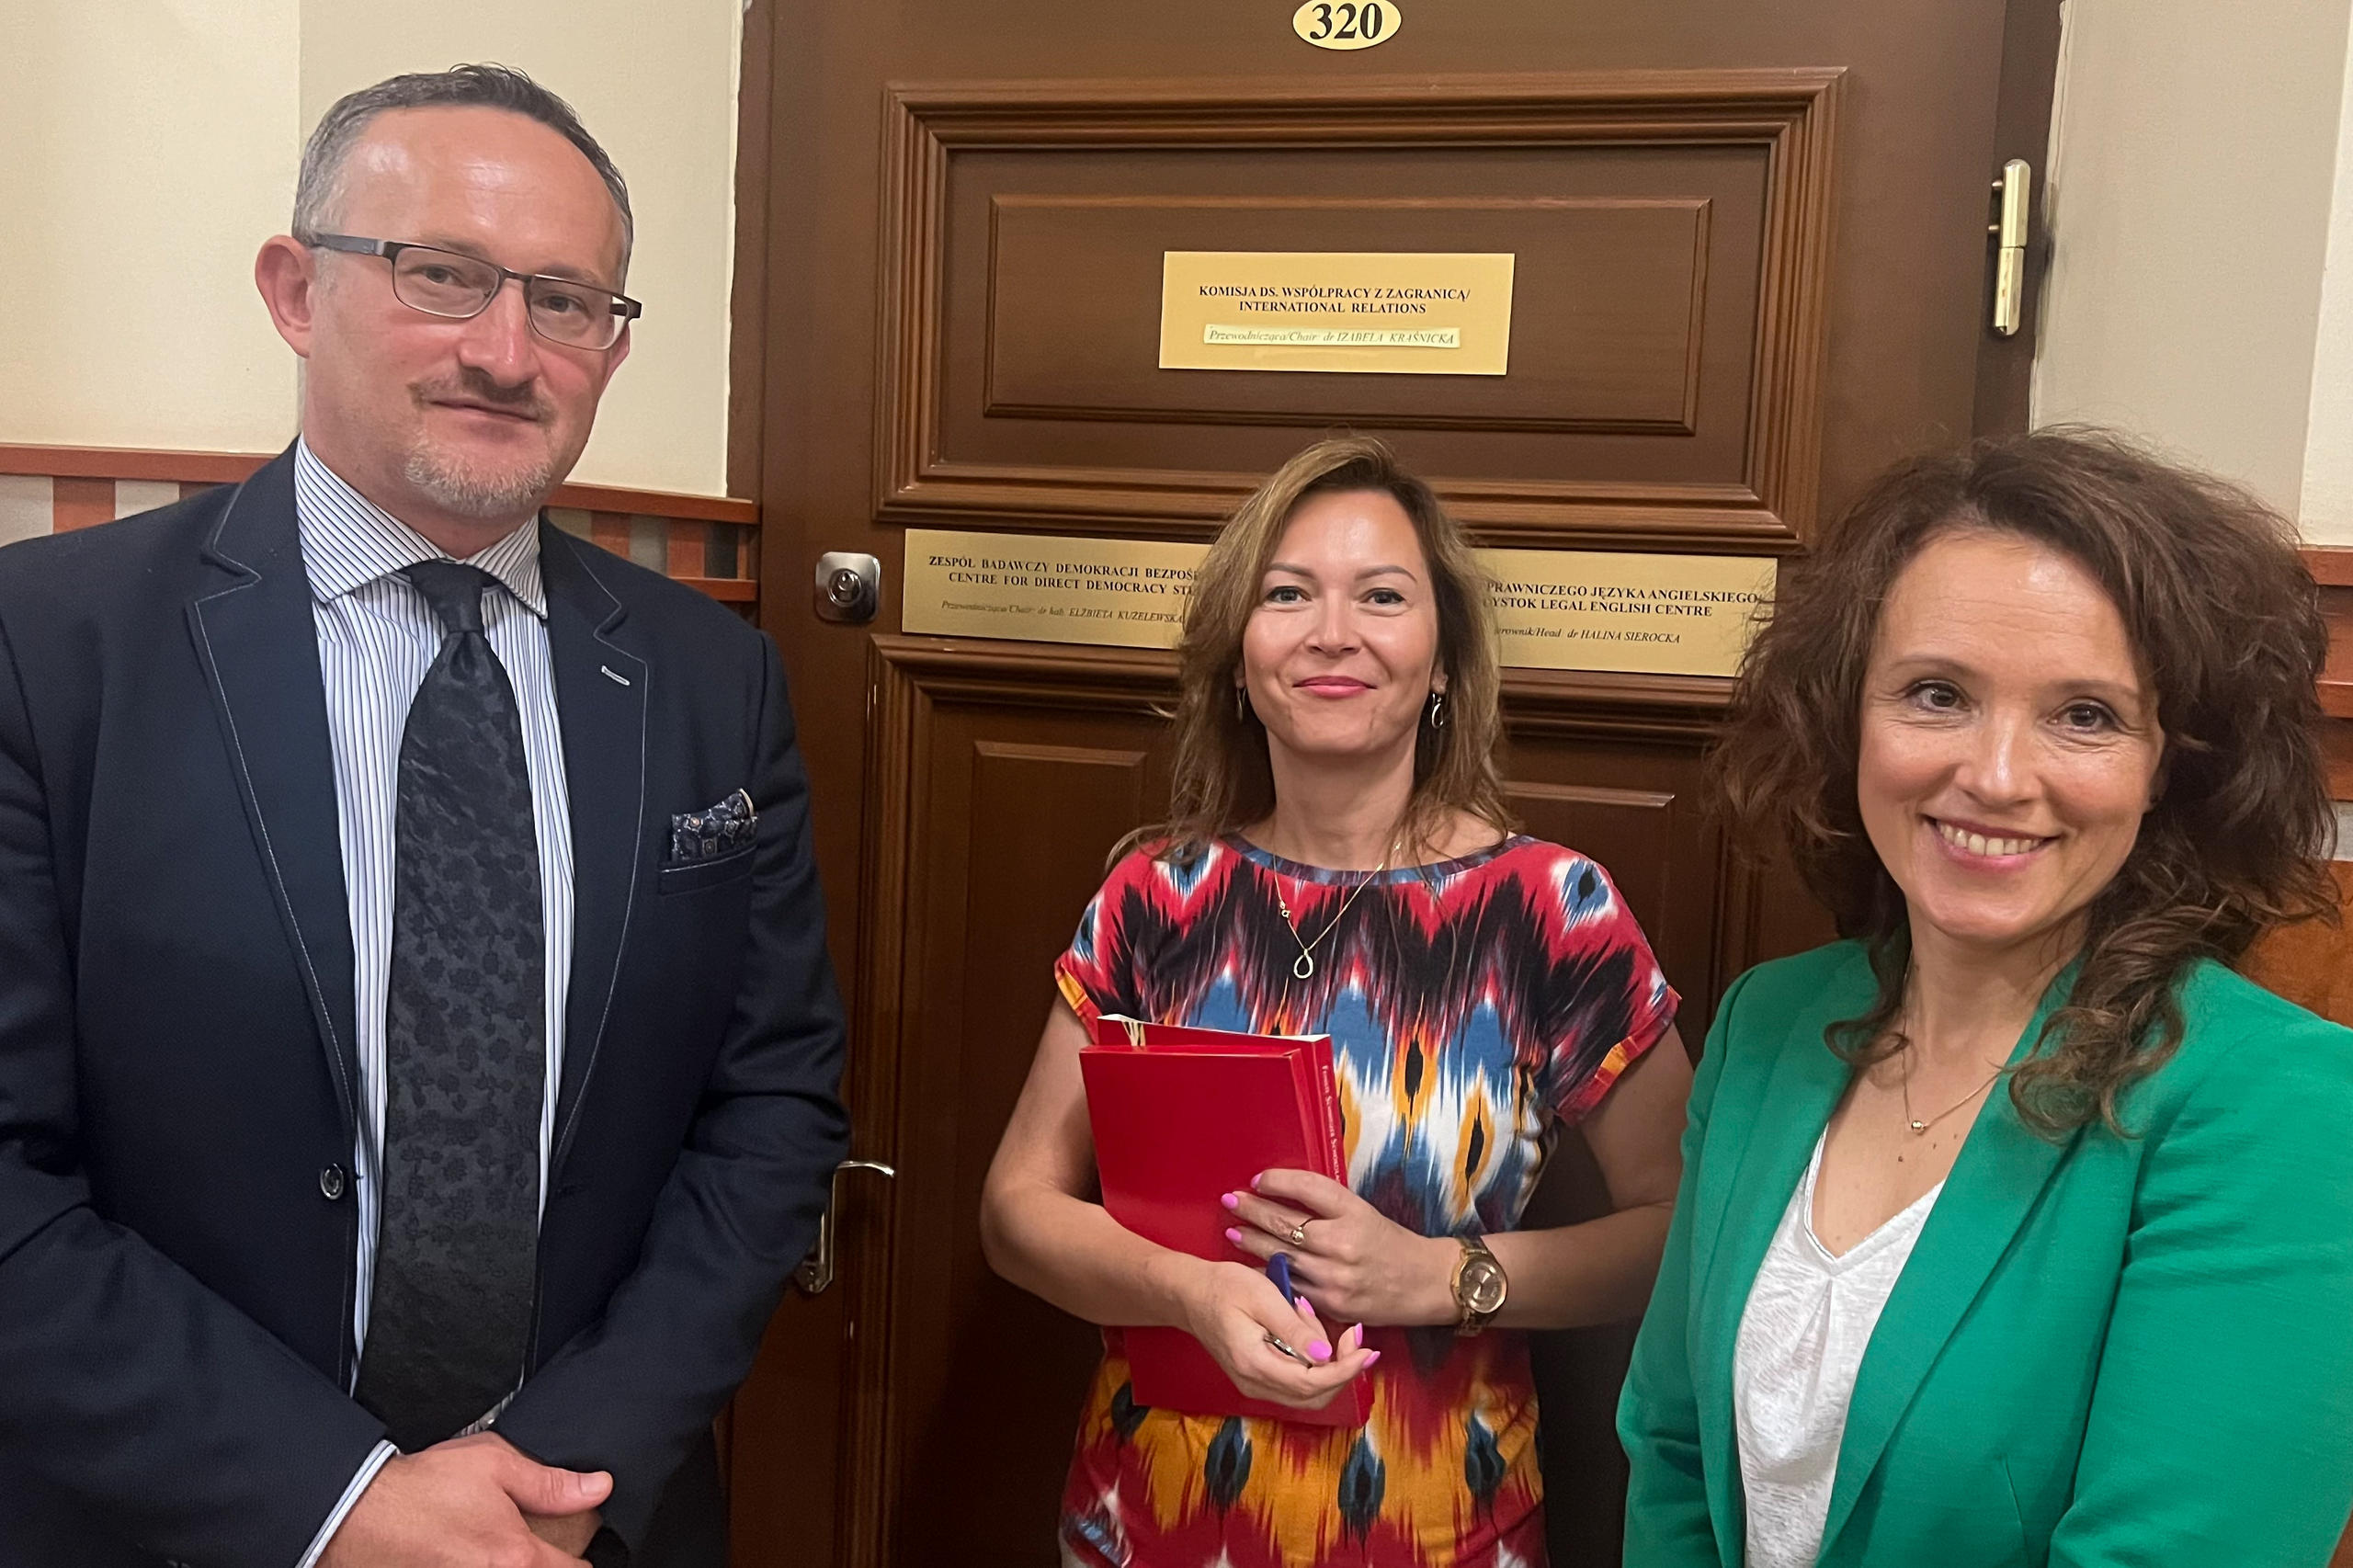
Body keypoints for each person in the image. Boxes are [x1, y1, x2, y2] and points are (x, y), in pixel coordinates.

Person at [0, 66, 847, 1568]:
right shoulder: (47, 648)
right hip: (162, 1514)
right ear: (294, 288)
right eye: (441, 274)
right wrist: (339, 1501)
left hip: (582, 1523)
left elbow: (770, 1112)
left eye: (569, 301)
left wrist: (548, 1477)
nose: (506, 350)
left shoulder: (714, 676)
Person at [1619, 429, 2353, 1567]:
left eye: (2086, 714)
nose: (1997, 774)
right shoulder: (1769, 1022)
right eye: (1935, 693)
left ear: (2169, 763)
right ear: (1845, 716)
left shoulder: (2280, 1104)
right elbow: (1670, 1454)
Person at [980, 436, 1694, 1566]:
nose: (1332, 631)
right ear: (1238, 653)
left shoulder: (1549, 908)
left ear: (1444, 658)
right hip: (1144, 1522)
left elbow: (1684, 1233)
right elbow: (1016, 1209)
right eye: (1287, 592)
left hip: (1437, 1528)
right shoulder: (1154, 896)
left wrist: (1445, 1275)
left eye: (1381, 595)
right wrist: (1186, 1290)